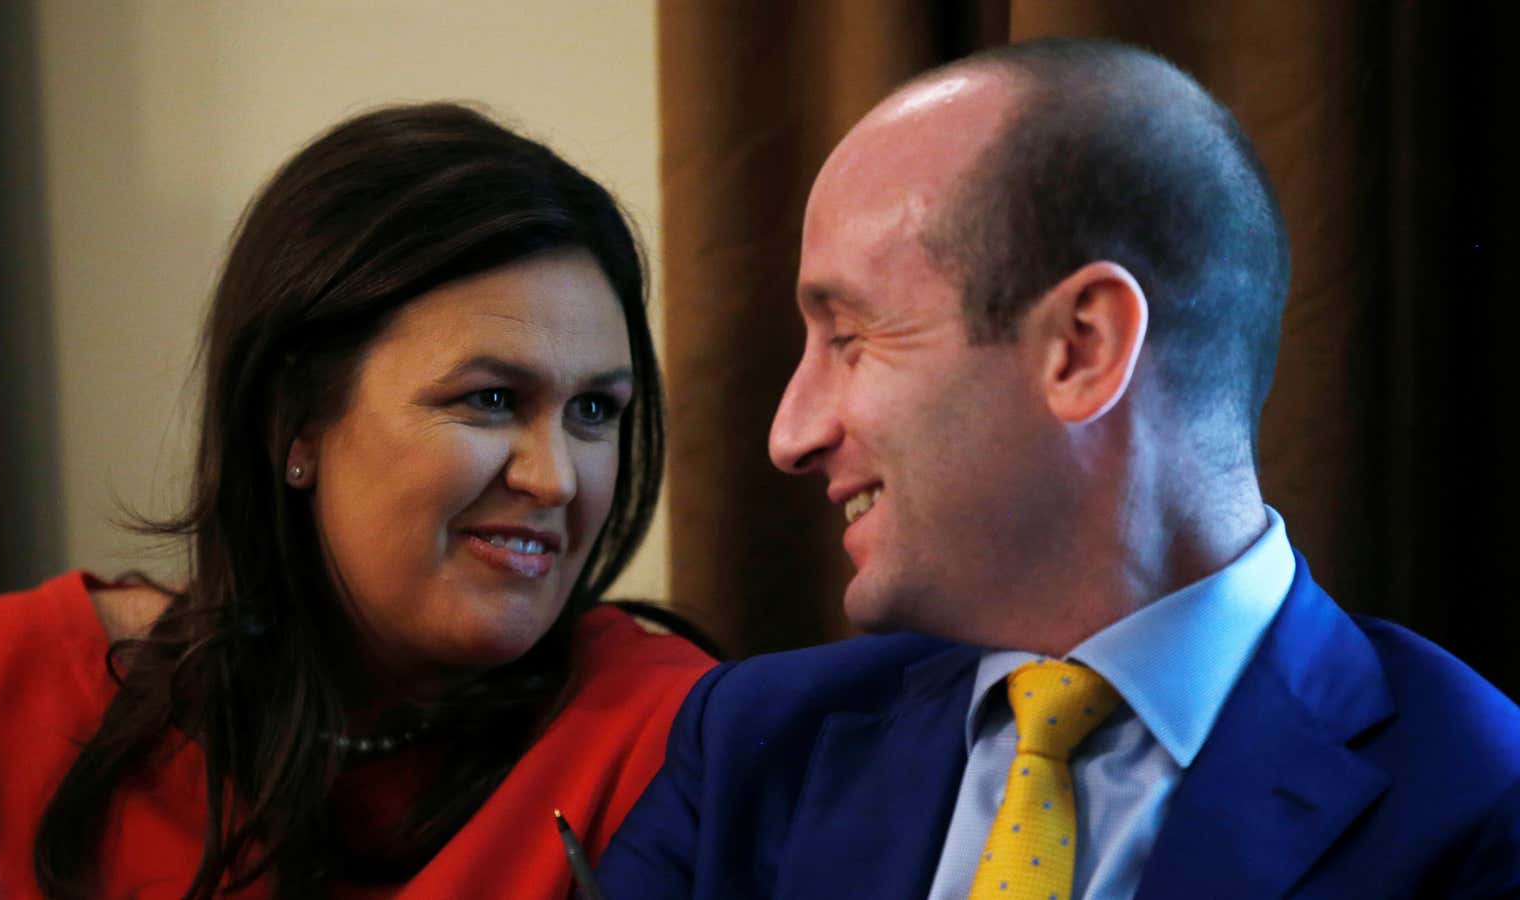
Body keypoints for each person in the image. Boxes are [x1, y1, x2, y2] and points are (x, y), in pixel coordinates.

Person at [597, 38, 1520, 899]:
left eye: (849, 338)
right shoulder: (750, 749)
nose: (789, 435)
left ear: (1082, 348)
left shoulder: (1479, 803)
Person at [0, 102, 714, 899]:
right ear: (291, 418)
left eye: (594, 412)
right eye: (493, 399)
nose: (558, 478)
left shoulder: (665, 730)